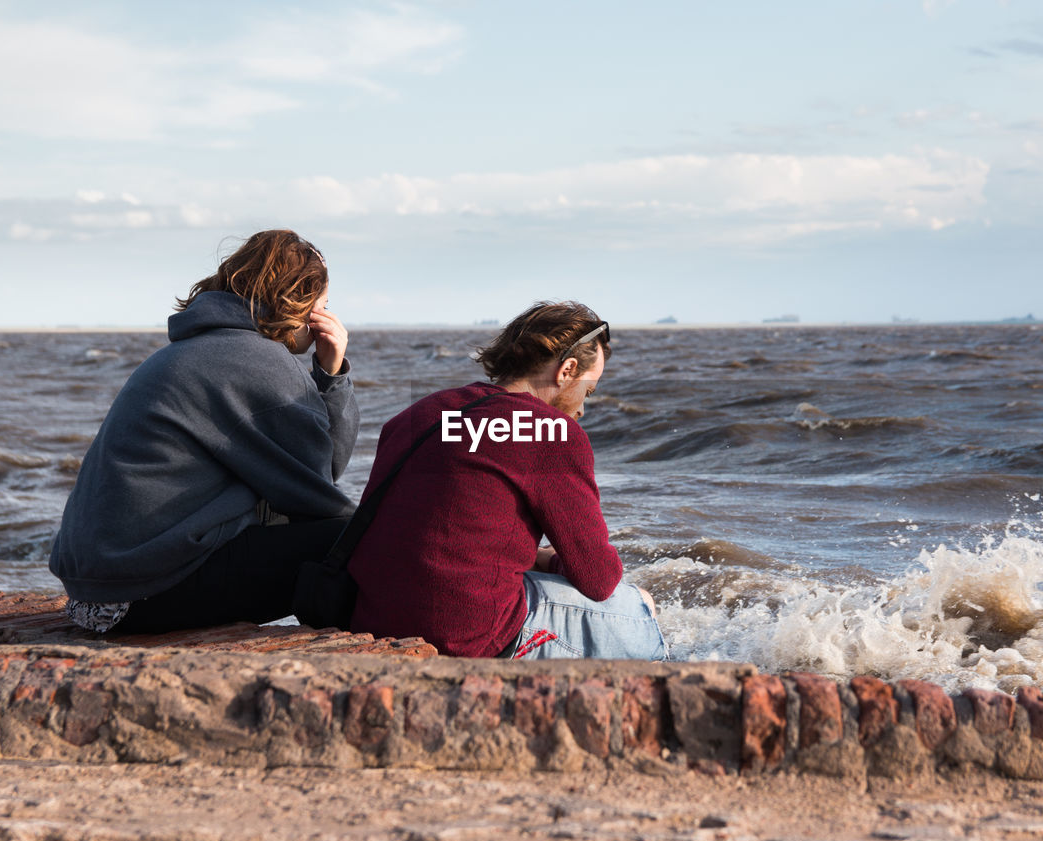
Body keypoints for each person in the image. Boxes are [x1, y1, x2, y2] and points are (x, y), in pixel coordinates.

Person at [49, 229, 359, 633]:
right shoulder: (263, 363)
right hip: (144, 594)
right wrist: (331, 376)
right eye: (324, 304)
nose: (328, 316)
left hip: (92, 598)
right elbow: (318, 487)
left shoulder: (184, 350)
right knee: (358, 539)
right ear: (300, 302)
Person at [348, 301, 665, 660]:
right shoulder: (550, 431)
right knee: (639, 609)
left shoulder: (418, 413)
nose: (581, 410)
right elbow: (598, 578)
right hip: (467, 634)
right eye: (588, 391)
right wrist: (548, 561)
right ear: (568, 370)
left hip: (373, 617)